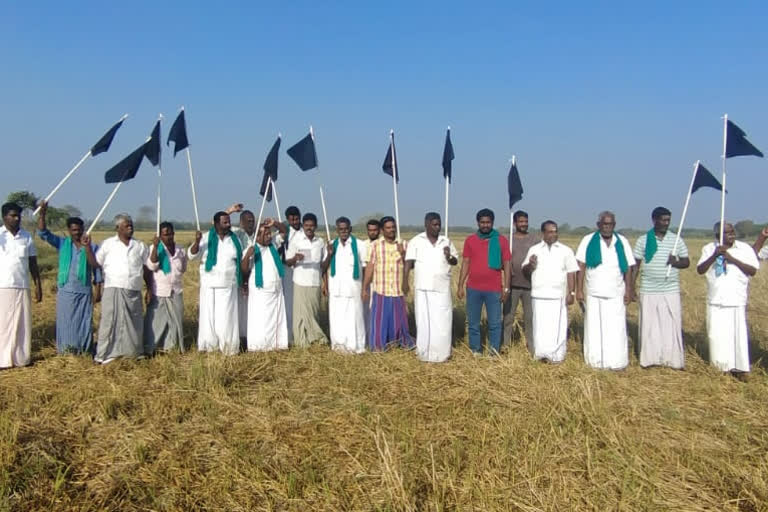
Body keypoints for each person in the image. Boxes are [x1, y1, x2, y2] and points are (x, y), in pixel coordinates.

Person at [37, 200, 101, 356]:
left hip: (84, 292)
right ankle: (66, 352)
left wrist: (98, 289)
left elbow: (96, 268)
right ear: (69, 230)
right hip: (66, 291)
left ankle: (83, 351)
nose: (77, 233)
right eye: (73, 230)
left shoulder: (92, 247)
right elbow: (43, 233)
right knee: (66, 323)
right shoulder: (62, 243)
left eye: (79, 230)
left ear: (83, 229)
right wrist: (42, 213)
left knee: (84, 322)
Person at [83, 214, 149, 364]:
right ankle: (103, 355)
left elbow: (147, 269)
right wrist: (87, 247)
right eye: (126, 225)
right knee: (109, 321)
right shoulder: (108, 244)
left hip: (133, 289)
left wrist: (149, 288)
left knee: (134, 323)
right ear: (117, 228)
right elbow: (95, 263)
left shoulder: (140, 246)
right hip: (113, 287)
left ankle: (133, 352)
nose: (130, 228)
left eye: (131, 225)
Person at [575, 211, 636, 370]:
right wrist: (579, 290)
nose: (607, 227)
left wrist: (629, 290)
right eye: (604, 224)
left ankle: (616, 362)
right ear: (598, 225)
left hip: (616, 293)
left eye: (610, 224)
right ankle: (595, 362)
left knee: (616, 329)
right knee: (594, 329)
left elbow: (629, 268)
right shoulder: (588, 240)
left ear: (614, 225)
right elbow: (580, 265)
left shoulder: (622, 241)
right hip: (594, 292)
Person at [631, 206, 690, 369]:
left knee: (671, 324)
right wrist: (631, 288)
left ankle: (672, 360)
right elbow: (635, 265)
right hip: (648, 288)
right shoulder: (643, 240)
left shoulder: (676, 239)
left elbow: (686, 262)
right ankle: (649, 359)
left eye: (668, 220)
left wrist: (675, 262)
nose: (666, 223)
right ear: (654, 220)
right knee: (649, 325)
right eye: (663, 220)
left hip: (670, 289)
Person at [697, 222, 758, 376]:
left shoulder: (744, 249)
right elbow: (700, 269)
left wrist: (731, 258)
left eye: (732, 232)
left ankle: (739, 368)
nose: (732, 235)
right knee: (717, 335)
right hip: (716, 298)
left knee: (737, 335)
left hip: (736, 298)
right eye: (727, 233)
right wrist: (714, 256)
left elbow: (752, 270)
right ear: (718, 236)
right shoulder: (709, 248)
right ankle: (720, 368)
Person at [521, 220, 578, 363]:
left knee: (557, 328)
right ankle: (541, 356)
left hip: (557, 296)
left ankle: (557, 356)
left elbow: (571, 272)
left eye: (555, 231)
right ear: (543, 233)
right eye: (550, 231)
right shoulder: (534, 250)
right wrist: (530, 265)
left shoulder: (566, 250)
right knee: (540, 327)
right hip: (539, 295)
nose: (554, 234)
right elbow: (525, 270)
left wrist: (571, 293)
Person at [457, 209, 512, 356]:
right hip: (473, 288)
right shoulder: (470, 240)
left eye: (488, 222)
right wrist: (460, 285)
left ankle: (493, 352)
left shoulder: (501, 241)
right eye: (482, 222)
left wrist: (506, 288)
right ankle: (476, 350)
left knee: (495, 323)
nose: (485, 225)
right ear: (478, 223)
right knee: (473, 322)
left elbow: (507, 264)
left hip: (494, 289)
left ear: (492, 223)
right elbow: (466, 263)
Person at [404, 212, 458, 362]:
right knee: (424, 321)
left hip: (442, 287)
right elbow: (408, 262)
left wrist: (449, 256)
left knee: (443, 321)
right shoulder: (416, 241)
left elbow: (455, 261)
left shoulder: (445, 241)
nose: (437, 227)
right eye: (434, 224)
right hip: (424, 288)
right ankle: (425, 353)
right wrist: (405, 281)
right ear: (426, 224)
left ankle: (442, 354)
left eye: (439, 224)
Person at [189, 211, 243, 355]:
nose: (229, 224)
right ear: (217, 223)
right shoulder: (206, 238)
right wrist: (196, 241)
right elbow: (192, 255)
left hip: (228, 284)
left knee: (226, 318)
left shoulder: (235, 239)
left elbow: (240, 259)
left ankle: (228, 348)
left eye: (229, 221)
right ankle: (209, 346)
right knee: (208, 318)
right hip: (209, 284)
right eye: (225, 222)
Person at [362, 216, 413, 351]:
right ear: (382, 230)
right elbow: (370, 267)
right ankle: (378, 346)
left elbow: (410, 266)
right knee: (379, 322)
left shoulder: (404, 244)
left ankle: (400, 343)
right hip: (381, 289)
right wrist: (365, 287)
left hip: (398, 289)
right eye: (388, 228)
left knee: (399, 322)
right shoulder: (375, 245)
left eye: (393, 227)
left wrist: (403, 254)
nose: (391, 230)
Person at [0, 202, 42, 368]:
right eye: (13, 215)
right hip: (3, 286)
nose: (17, 219)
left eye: (18, 216)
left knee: (22, 323)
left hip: (23, 285)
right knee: (3, 323)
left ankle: (21, 358)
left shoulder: (26, 237)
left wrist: (38, 285)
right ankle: (3, 360)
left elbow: (33, 263)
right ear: (4, 217)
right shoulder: (0, 236)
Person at [241, 219, 288, 351]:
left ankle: (277, 345)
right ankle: (259, 346)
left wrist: (274, 223)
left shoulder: (274, 244)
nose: (269, 236)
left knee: (276, 319)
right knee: (260, 319)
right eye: (265, 234)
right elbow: (244, 269)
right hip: (260, 292)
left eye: (270, 234)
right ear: (257, 236)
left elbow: (285, 231)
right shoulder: (251, 249)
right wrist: (247, 257)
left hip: (276, 290)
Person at [285, 213, 330, 347]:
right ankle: (302, 341)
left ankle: (316, 339)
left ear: (315, 226)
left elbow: (323, 265)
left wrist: (330, 254)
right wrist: (295, 258)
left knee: (313, 313)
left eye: (311, 225)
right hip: (300, 281)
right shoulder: (296, 240)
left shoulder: (320, 242)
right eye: (306, 225)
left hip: (315, 281)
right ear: (303, 226)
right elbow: (287, 262)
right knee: (300, 314)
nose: (309, 228)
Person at [144, 222, 187, 353]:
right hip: (159, 291)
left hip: (176, 290)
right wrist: (156, 248)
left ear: (174, 233)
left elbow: (183, 268)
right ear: (160, 236)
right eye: (165, 234)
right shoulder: (154, 248)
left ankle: (171, 347)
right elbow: (151, 266)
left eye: (170, 233)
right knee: (157, 322)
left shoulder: (180, 251)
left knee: (175, 321)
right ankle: (152, 348)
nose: (168, 237)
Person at [326, 216, 367, 354]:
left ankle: (357, 346)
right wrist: (329, 254)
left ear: (350, 229)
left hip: (354, 289)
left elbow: (365, 268)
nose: (343, 231)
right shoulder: (331, 244)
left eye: (346, 229)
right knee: (337, 318)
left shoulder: (360, 245)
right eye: (340, 229)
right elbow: (324, 267)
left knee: (355, 318)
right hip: (336, 289)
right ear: (337, 230)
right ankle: (338, 345)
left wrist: (365, 287)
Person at [503, 210, 538, 351]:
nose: (524, 224)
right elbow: (502, 260)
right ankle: (505, 344)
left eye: (526, 221)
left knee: (529, 318)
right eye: (521, 222)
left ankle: (532, 346)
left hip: (530, 285)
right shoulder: (508, 239)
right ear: (515, 223)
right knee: (508, 317)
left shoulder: (535, 240)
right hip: (512, 285)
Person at [276, 205, 303, 342]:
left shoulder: (304, 232)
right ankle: (288, 337)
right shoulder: (284, 232)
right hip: (287, 271)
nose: (295, 222)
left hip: (302, 271)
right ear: (287, 219)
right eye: (291, 220)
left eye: (297, 219)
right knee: (288, 304)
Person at [361, 219, 381, 343]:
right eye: (370, 230)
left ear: (379, 230)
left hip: (379, 283)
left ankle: (375, 338)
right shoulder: (363, 245)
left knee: (376, 311)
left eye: (375, 230)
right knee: (365, 311)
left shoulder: (382, 244)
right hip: (366, 283)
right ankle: (366, 339)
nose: (372, 232)